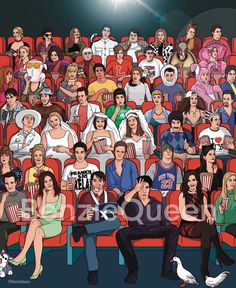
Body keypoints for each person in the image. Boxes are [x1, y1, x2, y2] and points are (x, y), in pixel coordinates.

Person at [116, 175, 179, 284]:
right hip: (137, 229)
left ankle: (167, 270)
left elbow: (165, 223)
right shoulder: (131, 202)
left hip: (155, 229)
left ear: (150, 189)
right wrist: (135, 189)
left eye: (146, 187)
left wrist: (167, 225)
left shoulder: (157, 203)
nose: (144, 190)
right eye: (141, 187)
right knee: (120, 234)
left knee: (173, 229)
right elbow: (120, 201)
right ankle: (133, 271)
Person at [10, 171, 66, 280]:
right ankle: (23, 255)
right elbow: (40, 212)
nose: (48, 183)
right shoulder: (40, 197)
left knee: (38, 231)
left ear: (53, 181)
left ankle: (36, 266)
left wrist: (47, 216)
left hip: (55, 224)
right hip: (43, 220)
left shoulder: (61, 196)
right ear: (42, 184)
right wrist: (44, 197)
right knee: (34, 222)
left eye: (50, 180)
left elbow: (61, 215)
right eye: (45, 182)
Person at [179, 170, 234, 280]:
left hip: (202, 226)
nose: (191, 182)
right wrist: (200, 221)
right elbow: (183, 215)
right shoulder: (183, 195)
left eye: (193, 180)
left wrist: (209, 217)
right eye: (189, 180)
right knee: (207, 226)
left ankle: (204, 268)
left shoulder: (202, 195)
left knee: (207, 229)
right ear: (186, 183)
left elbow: (206, 211)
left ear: (197, 181)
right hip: (187, 226)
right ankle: (220, 253)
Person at [72, 171, 120, 285]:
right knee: (89, 236)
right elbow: (79, 218)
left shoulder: (111, 196)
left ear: (104, 182)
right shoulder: (86, 196)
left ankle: (82, 230)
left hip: (106, 226)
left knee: (116, 222)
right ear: (91, 182)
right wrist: (85, 216)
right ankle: (93, 271)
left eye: (100, 180)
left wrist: (115, 213)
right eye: (95, 180)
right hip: (91, 225)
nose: (97, 183)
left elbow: (115, 214)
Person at [0, 172, 30, 251]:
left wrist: (24, 214)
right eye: (7, 183)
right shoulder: (1, 196)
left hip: (15, 223)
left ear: (16, 183)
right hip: (2, 222)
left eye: (12, 183)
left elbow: (29, 214)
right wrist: (3, 200)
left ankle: (2, 255)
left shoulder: (21, 195)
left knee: (2, 228)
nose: (9, 186)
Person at [119, 110, 155, 174]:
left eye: (133, 120)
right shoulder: (125, 137)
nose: (131, 122)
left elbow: (148, 154)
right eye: (129, 121)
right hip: (129, 162)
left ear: (137, 121)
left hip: (144, 160)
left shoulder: (145, 135)